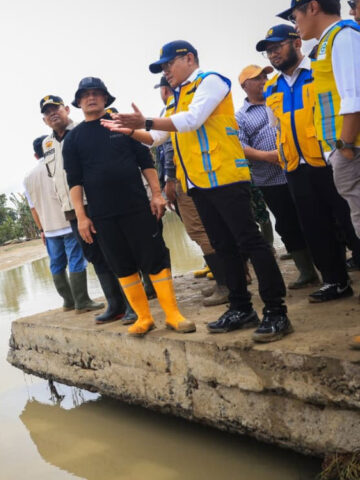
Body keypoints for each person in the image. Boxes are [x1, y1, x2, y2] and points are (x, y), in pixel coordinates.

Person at [103, 41, 292, 342]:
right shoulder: (176, 97)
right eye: (161, 68)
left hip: (227, 178)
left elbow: (191, 121)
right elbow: (156, 137)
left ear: (189, 59)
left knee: (250, 243)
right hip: (198, 184)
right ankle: (241, 308)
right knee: (222, 245)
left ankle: (276, 311)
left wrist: (146, 120)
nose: (165, 72)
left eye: (168, 64)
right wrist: (131, 131)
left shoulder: (211, 81)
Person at [64, 77, 195, 337]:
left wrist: (157, 195)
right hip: (102, 215)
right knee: (121, 264)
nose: (91, 98)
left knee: (155, 257)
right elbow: (74, 181)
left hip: (137, 206)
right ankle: (144, 317)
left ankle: (172, 314)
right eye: (85, 95)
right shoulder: (74, 139)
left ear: (105, 98)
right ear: (78, 102)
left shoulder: (122, 124)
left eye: (96, 93)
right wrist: (81, 217)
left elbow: (145, 161)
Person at [257, 24, 360, 303]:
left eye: (277, 46)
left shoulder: (318, 71)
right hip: (295, 166)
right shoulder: (271, 87)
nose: (273, 54)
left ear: (296, 43)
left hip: (327, 158)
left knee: (349, 218)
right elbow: (275, 126)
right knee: (314, 226)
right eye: (268, 51)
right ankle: (335, 281)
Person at [38, 95, 135, 321]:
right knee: (95, 256)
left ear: (67, 110)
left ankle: (133, 304)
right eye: (47, 112)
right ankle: (114, 304)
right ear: (44, 120)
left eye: (56, 109)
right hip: (72, 211)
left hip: (95, 204)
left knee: (116, 253)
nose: (53, 114)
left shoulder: (84, 131)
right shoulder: (47, 144)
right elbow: (56, 178)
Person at [237, 64, 321, 290]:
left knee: (315, 217)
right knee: (287, 223)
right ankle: (307, 271)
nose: (264, 79)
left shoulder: (281, 98)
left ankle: (331, 266)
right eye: (257, 78)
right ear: (245, 86)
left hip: (300, 169)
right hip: (271, 179)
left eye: (265, 75)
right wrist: (267, 156)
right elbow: (239, 146)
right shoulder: (241, 117)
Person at [281, 0, 360, 237]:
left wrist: (344, 147)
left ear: (313, 7)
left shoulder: (344, 37)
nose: (295, 25)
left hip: (352, 149)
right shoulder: (327, 42)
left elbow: (354, 97)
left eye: (294, 17)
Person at [157, 76, 230, 306]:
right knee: (207, 229)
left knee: (199, 230)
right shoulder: (173, 108)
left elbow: (169, 148)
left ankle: (225, 283)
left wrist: (169, 179)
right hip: (189, 176)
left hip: (185, 177)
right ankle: (228, 279)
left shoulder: (178, 109)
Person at [25, 133, 105, 314]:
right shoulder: (58, 165)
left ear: (36, 155)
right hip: (68, 221)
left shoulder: (28, 178)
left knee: (56, 264)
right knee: (77, 259)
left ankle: (68, 301)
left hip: (49, 227)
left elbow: (33, 208)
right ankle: (82, 301)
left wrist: (41, 229)